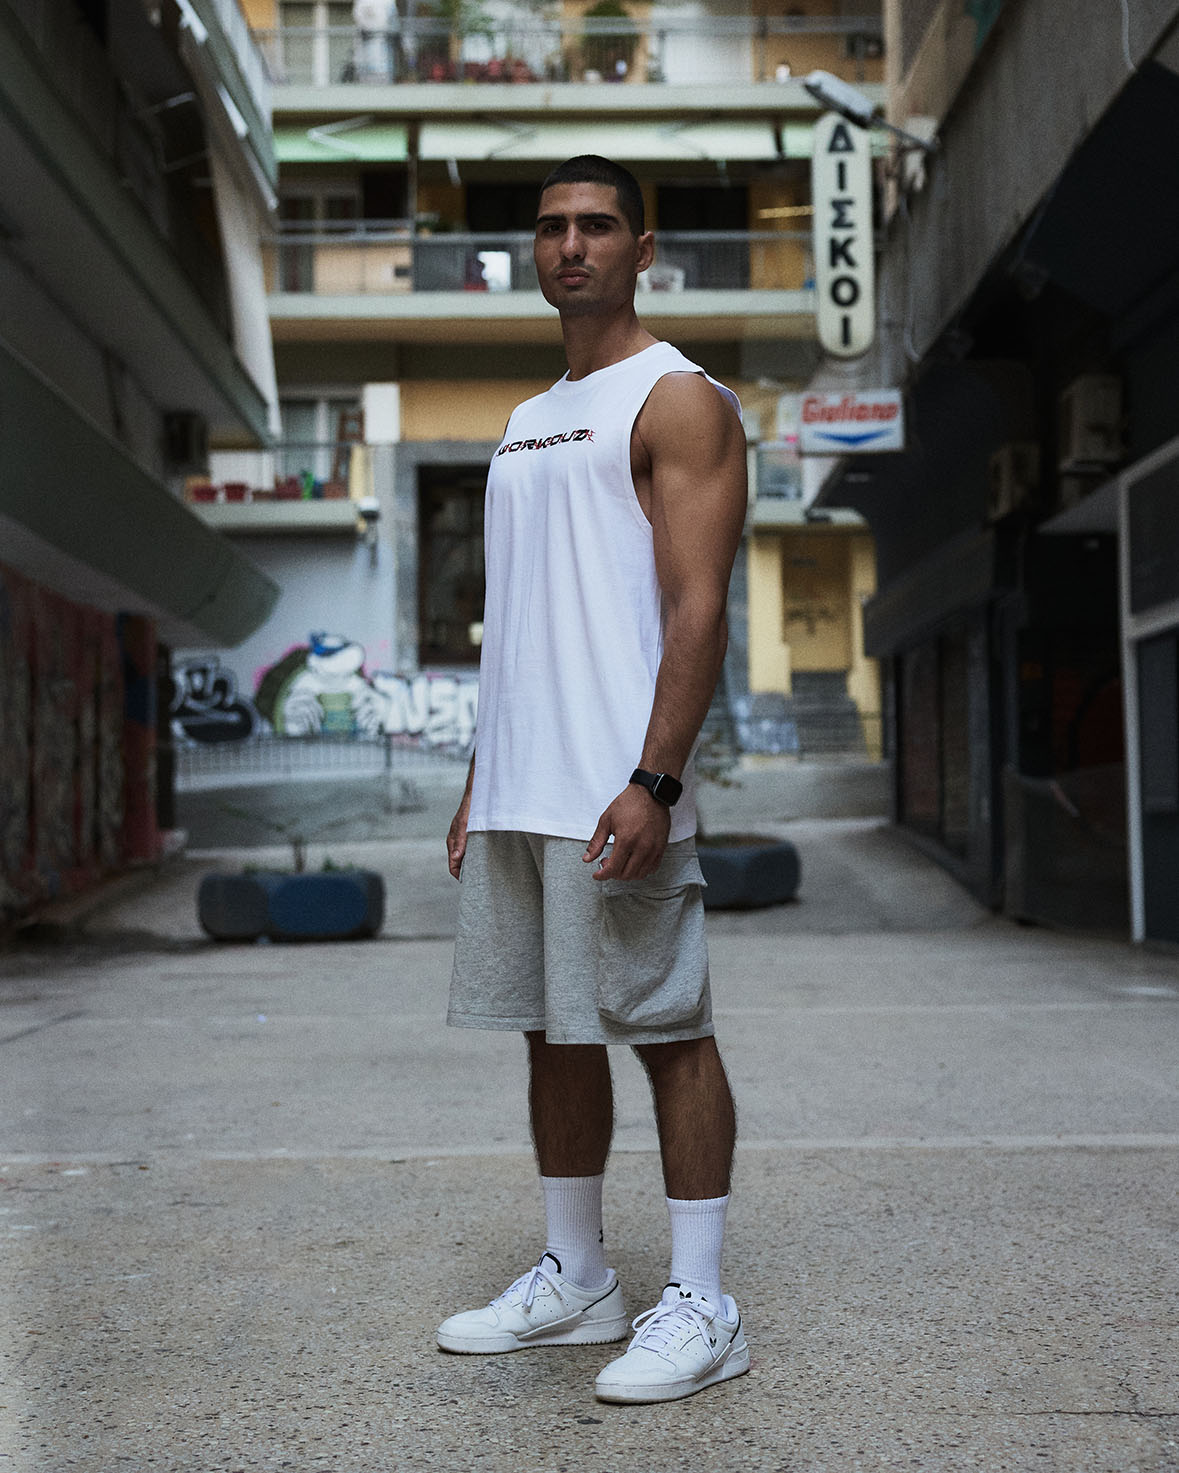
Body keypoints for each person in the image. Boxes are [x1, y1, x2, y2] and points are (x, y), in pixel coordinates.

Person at [436, 155, 749, 1405]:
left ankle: (705, 1302)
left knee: (669, 1033)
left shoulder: (679, 400)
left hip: (623, 789)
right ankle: (578, 1278)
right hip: (524, 788)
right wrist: (481, 775)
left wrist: (656, 780)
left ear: (643, 249)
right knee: (550, 1031)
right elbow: (524, 615)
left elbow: (698, 605)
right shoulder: (527, 418)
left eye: (599, 225)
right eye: (554, 226)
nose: (573, 245)